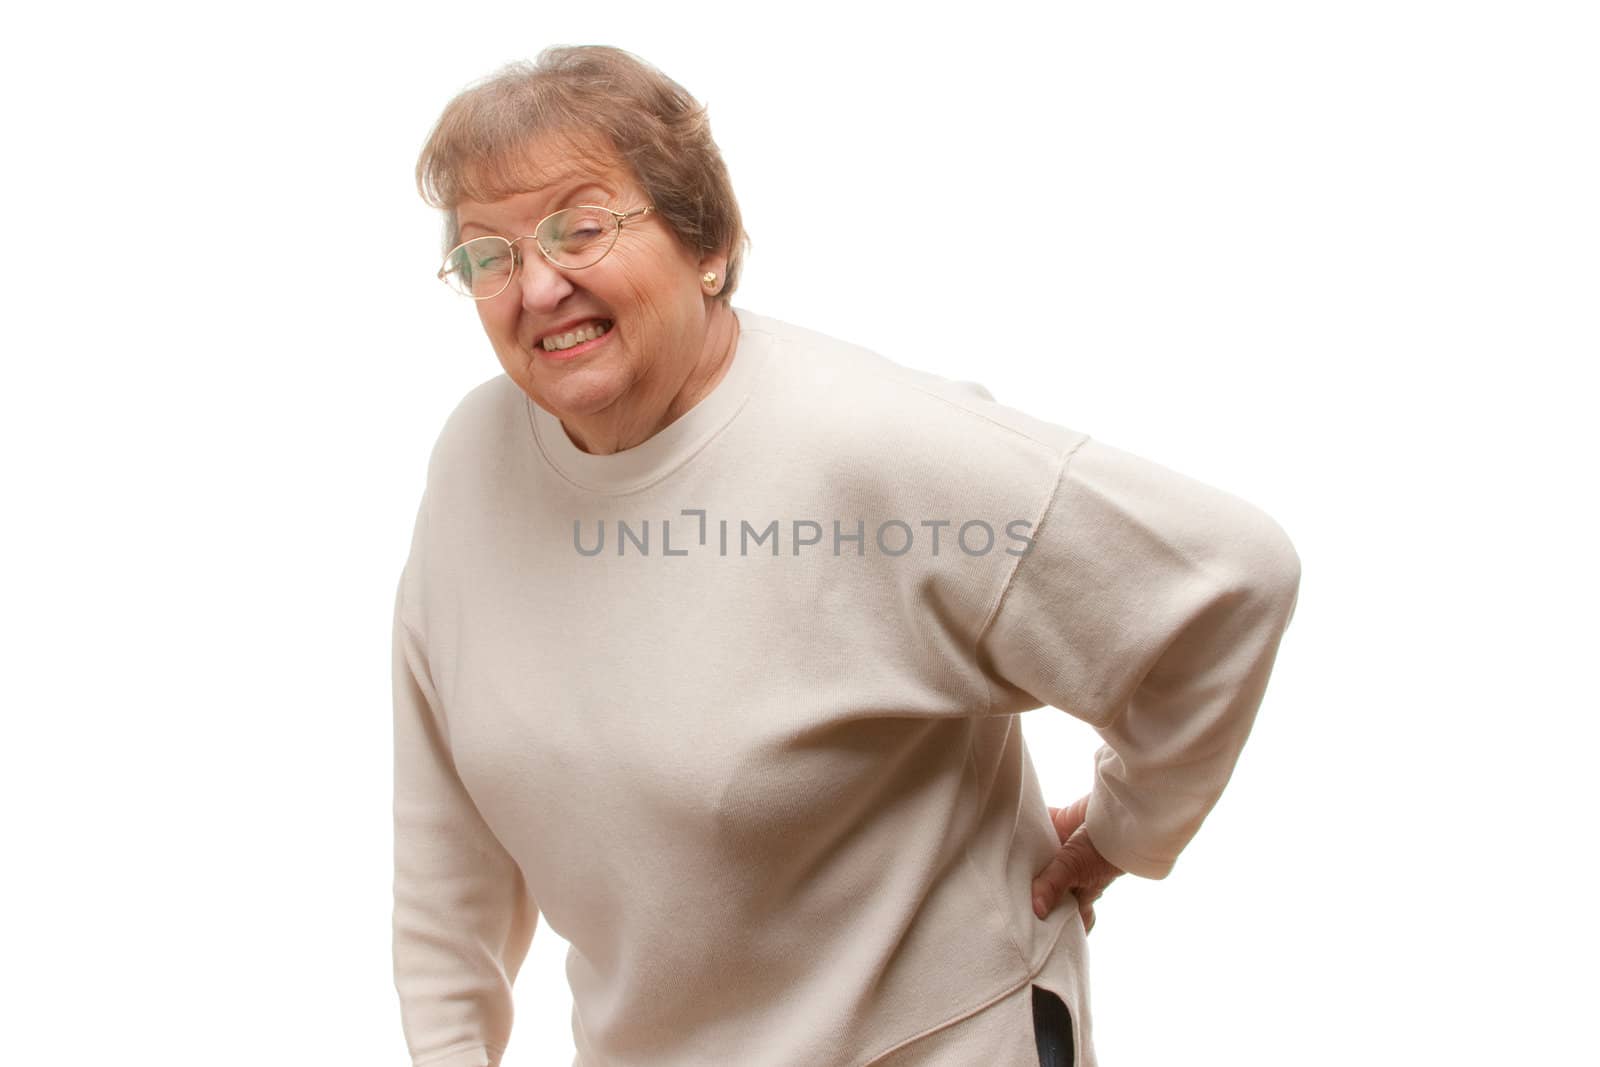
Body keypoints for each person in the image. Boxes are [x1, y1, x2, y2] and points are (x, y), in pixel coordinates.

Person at [392, 45, 1301, 1067]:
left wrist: (1132, 827)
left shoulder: (870, 450)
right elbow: (446, 826)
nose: (538, 284)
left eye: (582, 227)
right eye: (488, 254)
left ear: (709, 245)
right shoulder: (475, 462)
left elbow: (1230, 575)